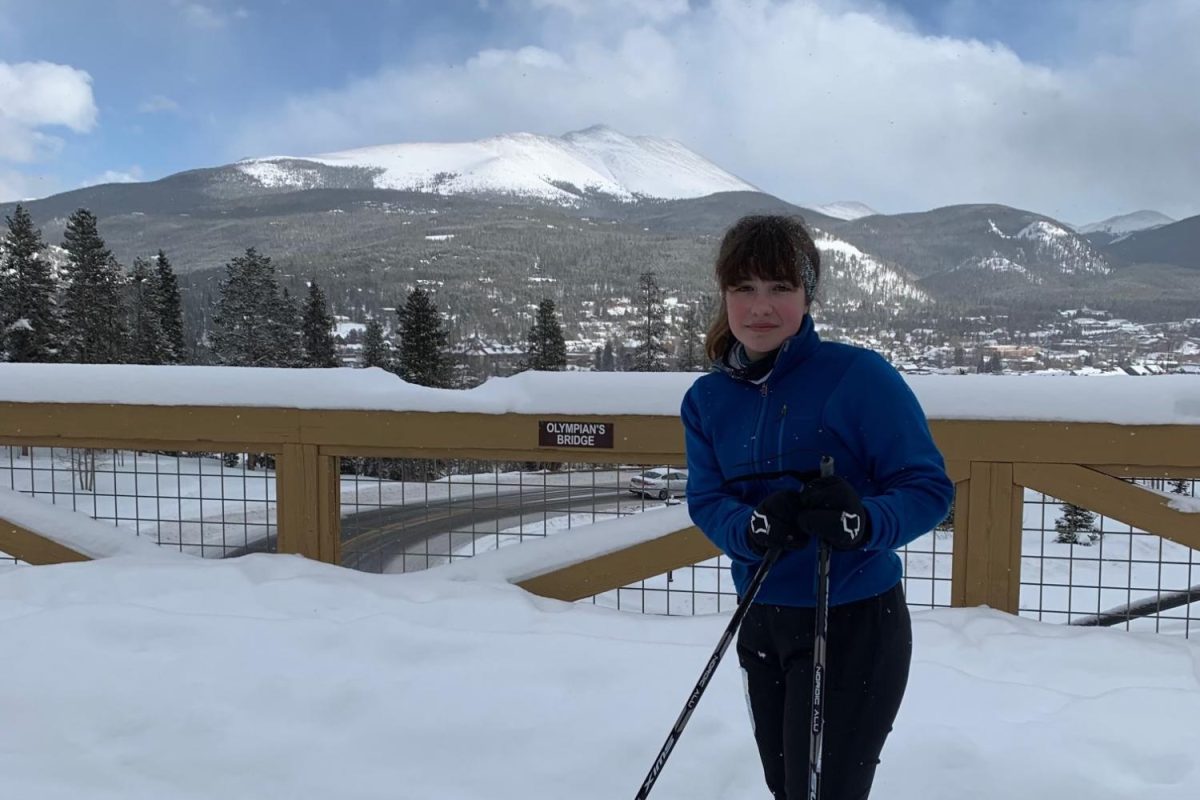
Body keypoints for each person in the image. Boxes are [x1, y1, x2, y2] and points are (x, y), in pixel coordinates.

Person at [680, 215, 954, 800]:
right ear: (723, 295)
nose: (761, 307)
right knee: (788, 787)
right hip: (761, 617)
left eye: (780, 288)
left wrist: (864, 522)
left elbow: (928, 486)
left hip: (853, 618)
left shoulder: (858, 377)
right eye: (744, 288)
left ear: (808, 296)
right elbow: (707, 500)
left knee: (825, 792)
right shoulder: (707, 399)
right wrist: (750, 528)